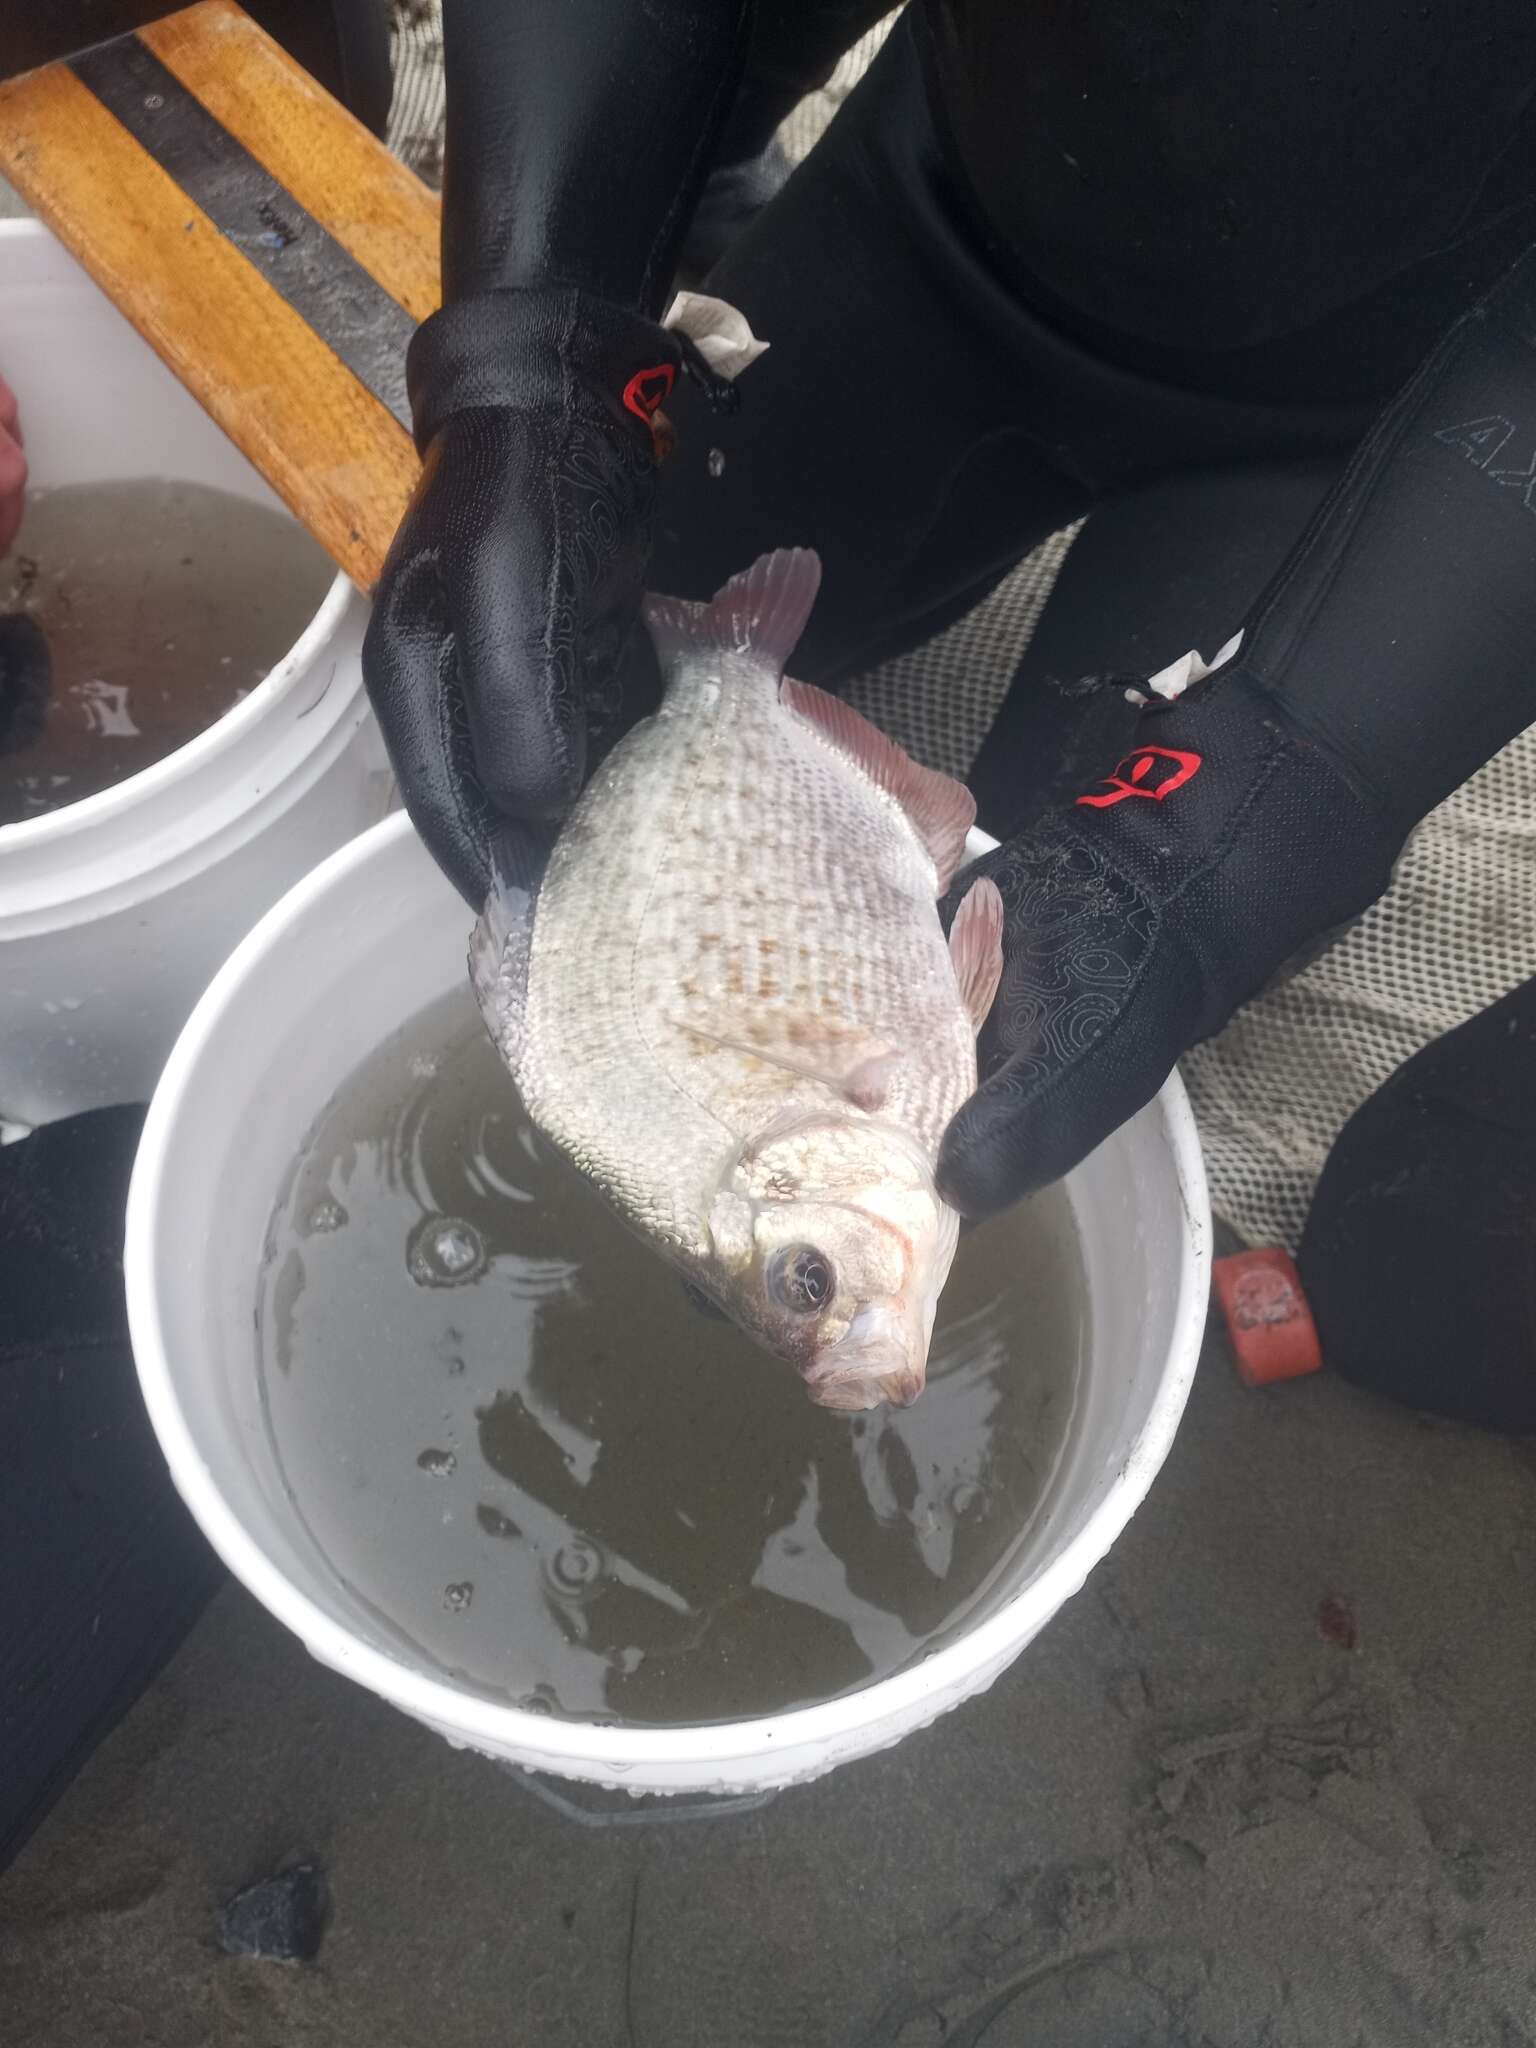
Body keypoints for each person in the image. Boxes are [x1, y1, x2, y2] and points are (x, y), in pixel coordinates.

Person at [364, 1, 1536, 1427]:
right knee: (598, 668)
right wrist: (526, 365)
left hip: (1388, 413)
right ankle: (720, 166)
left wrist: (1303, 767)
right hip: (944, 230)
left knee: (1082, 952)